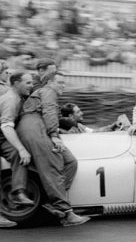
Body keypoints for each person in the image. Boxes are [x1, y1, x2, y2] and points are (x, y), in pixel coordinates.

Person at [17, 72, 89, 227]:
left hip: (39, 128)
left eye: (64, 83)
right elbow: (49, 112)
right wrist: (54, 135)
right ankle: (65, 212)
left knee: (70, 162)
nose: (63, 85)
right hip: (34, 129)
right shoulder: (48, 91)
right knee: (53, 166)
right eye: (60, 82)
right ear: (49, 82)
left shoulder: (45, 92)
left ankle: (52, 202)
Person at [0, 72, 34, 228]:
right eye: (27, 83)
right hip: (3, 134)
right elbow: (6, 127)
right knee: (20, 152)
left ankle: (18, 192)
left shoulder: (19, 97)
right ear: (16, 84)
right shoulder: (10, 100)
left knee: (18, 156)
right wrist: (21, 148)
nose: (31, 85)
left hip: (2, 139)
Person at [59, 103, 130, 133]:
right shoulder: (72, 128)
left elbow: (94, 132)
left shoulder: (77, 126)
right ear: (70, 116)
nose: (82, 113)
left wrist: (112, 126)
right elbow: (94, 133)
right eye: (78, 112)